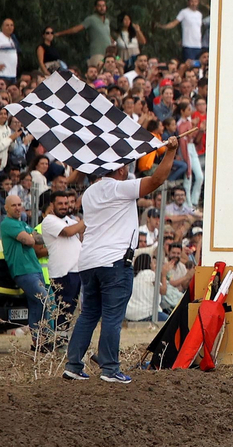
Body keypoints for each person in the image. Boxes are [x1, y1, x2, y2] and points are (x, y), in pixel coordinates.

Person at [64, 128, 193, 383]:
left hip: (88, 261)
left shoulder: (90, 193)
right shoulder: (120, 189)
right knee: (112, 316)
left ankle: (73, 364)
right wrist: (171, 151)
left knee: (89, 314)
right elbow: (156, 180)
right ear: (121, 170)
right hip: (114, 262)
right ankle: (110, 368)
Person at [0, 193, 48, 346]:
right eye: (14, 205)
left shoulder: (22, 224)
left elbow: (40, 238)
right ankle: (41, 337)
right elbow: (29, 240)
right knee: (43, 298)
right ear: (6, 208)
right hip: (23, 270)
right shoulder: (8, 224)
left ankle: (38, 341)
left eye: (19, 204)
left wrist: (31, 237)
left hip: (35, 268)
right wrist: (31, 237)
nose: (18, 208)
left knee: (36, 302)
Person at [39, 189, 85, 333]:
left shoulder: (70, 221)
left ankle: (63, 341)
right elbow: (68, 232)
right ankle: (59, 342)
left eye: (66, 203)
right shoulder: (49, 221)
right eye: (60, 203)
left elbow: (81, 233)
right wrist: (88, 219)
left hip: (76, 270)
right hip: (62, 272)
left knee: (71, 310)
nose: (64, 206)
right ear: (52, 205)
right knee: (63, 310)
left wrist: (81, 225)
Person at [59, 0, 113, 66]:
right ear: (95, 7)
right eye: (99, 6)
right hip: (97, 53)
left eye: (103, 6)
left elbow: (107, 34)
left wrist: (113, 43)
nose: (102, 8)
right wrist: (59, 34)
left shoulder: (107, 21)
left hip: (109, 54)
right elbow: (76, 29)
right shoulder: (91, 19)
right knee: (98, 73)